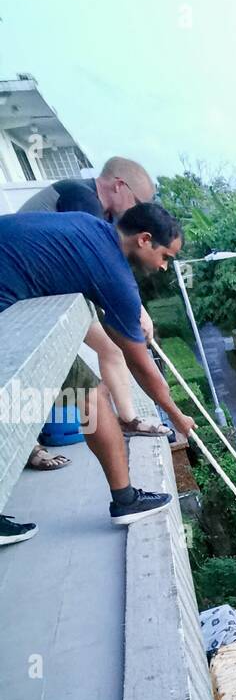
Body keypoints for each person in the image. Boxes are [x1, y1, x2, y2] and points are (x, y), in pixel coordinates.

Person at [0, 203, 195, 546]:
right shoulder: (114, 273)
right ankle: (125, 500)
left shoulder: (92, 229)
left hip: (17, 311)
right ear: (144, 240)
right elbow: (141, 365)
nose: (165, 267)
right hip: (11, 320)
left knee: (90, 395)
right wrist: (178, 417)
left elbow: (114, 325)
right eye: (166, 256)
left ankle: (125, 499)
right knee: (89, 396)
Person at [19, 157, 165, 461]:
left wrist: (135, 310)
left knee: (111, 349)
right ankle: (26, 446)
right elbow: (105, 271)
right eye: (138, 204)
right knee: (35, 375)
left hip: (47, 298)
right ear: (119, 186)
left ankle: (129, 419)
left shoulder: (103, 212)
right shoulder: (81, 200)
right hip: (24, 300)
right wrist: (139, 312)